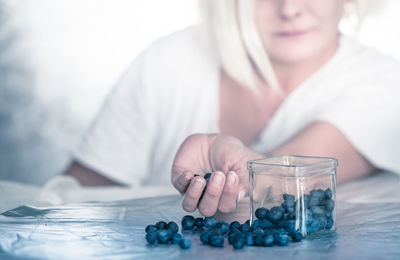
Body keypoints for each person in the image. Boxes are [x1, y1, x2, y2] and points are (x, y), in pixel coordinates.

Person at [66, 0, 400, 217]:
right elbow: (75, 194)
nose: (290, 8)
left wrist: (224, 159)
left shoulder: (384, 82)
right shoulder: (169, 60)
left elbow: (280, 179)